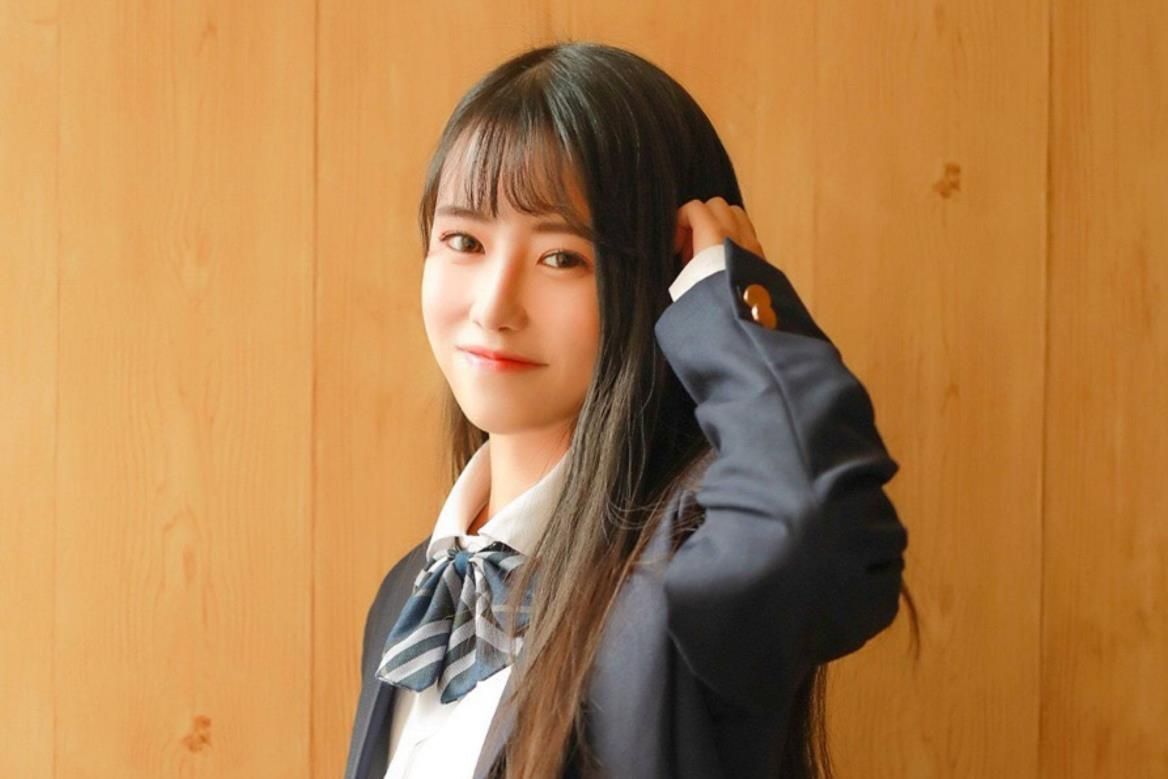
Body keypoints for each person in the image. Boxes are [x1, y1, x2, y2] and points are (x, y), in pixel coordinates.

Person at [346, 40, 918, 779]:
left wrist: (729, 306)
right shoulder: (409, 595)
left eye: (562, 257)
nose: (492, 306)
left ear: (664, 275)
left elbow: (815, 524)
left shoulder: (684, 565)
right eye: (464, 241)